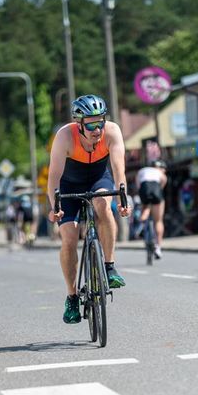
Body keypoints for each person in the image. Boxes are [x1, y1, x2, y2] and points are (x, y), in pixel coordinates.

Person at [47, 94, 129, 325]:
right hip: (68, 184)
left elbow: (118, 168)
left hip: (98, 178)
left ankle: (109, 266)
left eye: (100, 121)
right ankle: (72, 296)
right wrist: (55, 206)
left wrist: (122, 197)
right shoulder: (65, 136)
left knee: (103, 204)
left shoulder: (112, 131)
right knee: (70, 237)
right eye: (91, 124)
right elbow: (53, 177)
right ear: (79, 123)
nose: (97, 128)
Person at [136, 159, 167, 258]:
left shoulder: (142, 170)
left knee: (145, 206)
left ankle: (141, 225)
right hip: (156, 188)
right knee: (158, 220)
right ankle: (158, 247)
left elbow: (138, 185)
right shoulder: (160, 172)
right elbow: (163, 184)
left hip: (144, 189)